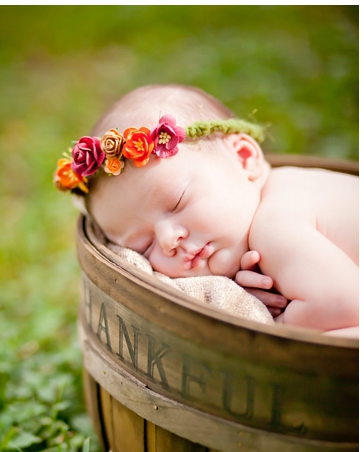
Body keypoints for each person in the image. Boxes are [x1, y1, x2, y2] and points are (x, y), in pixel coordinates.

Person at [54, 84, 358, 337]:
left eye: (177, 203)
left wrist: (268, 325)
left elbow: (345, 307)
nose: (168, 240)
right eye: (143, 247)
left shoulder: (276, 223)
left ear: (243, 157)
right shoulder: (278, 193)